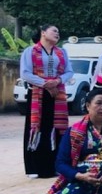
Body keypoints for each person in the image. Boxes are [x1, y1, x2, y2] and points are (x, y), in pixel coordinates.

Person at [21, 25, 74, 178]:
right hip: (38, 93)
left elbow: (69, 72)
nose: (57, 33)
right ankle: (35, 167)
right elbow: (25, 73)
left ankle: (55, 165)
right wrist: (45, 84)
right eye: (54, 31)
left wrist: (57, 81)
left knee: (57, 128)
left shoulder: (62, 52)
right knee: (37, 128)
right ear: (43, 33)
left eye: (58, 31)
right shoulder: (30, 51)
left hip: (57, 94)